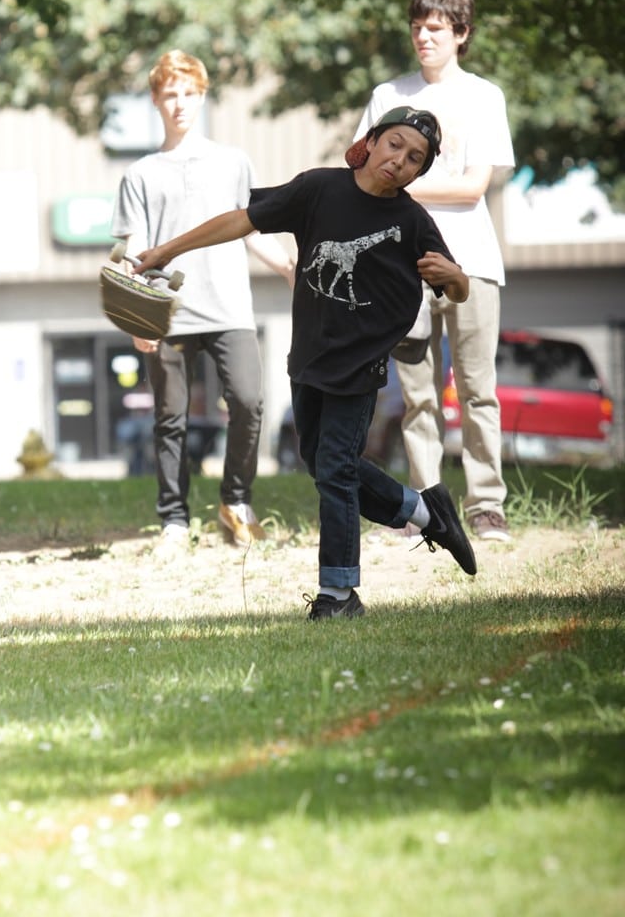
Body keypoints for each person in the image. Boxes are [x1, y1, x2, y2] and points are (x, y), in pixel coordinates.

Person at [133, 106, 476, 619]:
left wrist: (457, 275)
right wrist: (167, 251)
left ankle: (339, 595)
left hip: (360, 366)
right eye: (395, 145)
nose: (400, 161)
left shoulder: (410, 221)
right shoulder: (318, 189)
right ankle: (429, 511)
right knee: (324, 466)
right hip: (309, 357)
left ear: (419, 171)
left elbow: (456, 287)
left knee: (336, 471)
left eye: (415, 159)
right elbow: (241, 220)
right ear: (372, 140)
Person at [110, 50, 295, 551]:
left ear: (202, 95)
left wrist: (287, 268)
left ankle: (236, 503)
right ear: (154, 100)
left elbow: (253, 227)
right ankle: (173, 519)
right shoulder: (140, 174)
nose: (179, 104)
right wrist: (137, 316)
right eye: (170, 94)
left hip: (230, 307)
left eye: (189, 93)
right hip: (167, 313)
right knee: (170, 418)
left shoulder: (233, 161)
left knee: (249, 401)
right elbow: (131, 253)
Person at [355, 0, 515, 542]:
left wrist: (402, 185)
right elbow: (361, 170)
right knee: (416, 393)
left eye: (437, 28)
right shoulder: (386, 95)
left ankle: (486, 505)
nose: (424, 36)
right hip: (401, 266)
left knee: (477, 388)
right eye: (418, 27)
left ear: (461, 34)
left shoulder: (484, 96)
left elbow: (474, 186)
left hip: (471, 262)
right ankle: (426, 507)